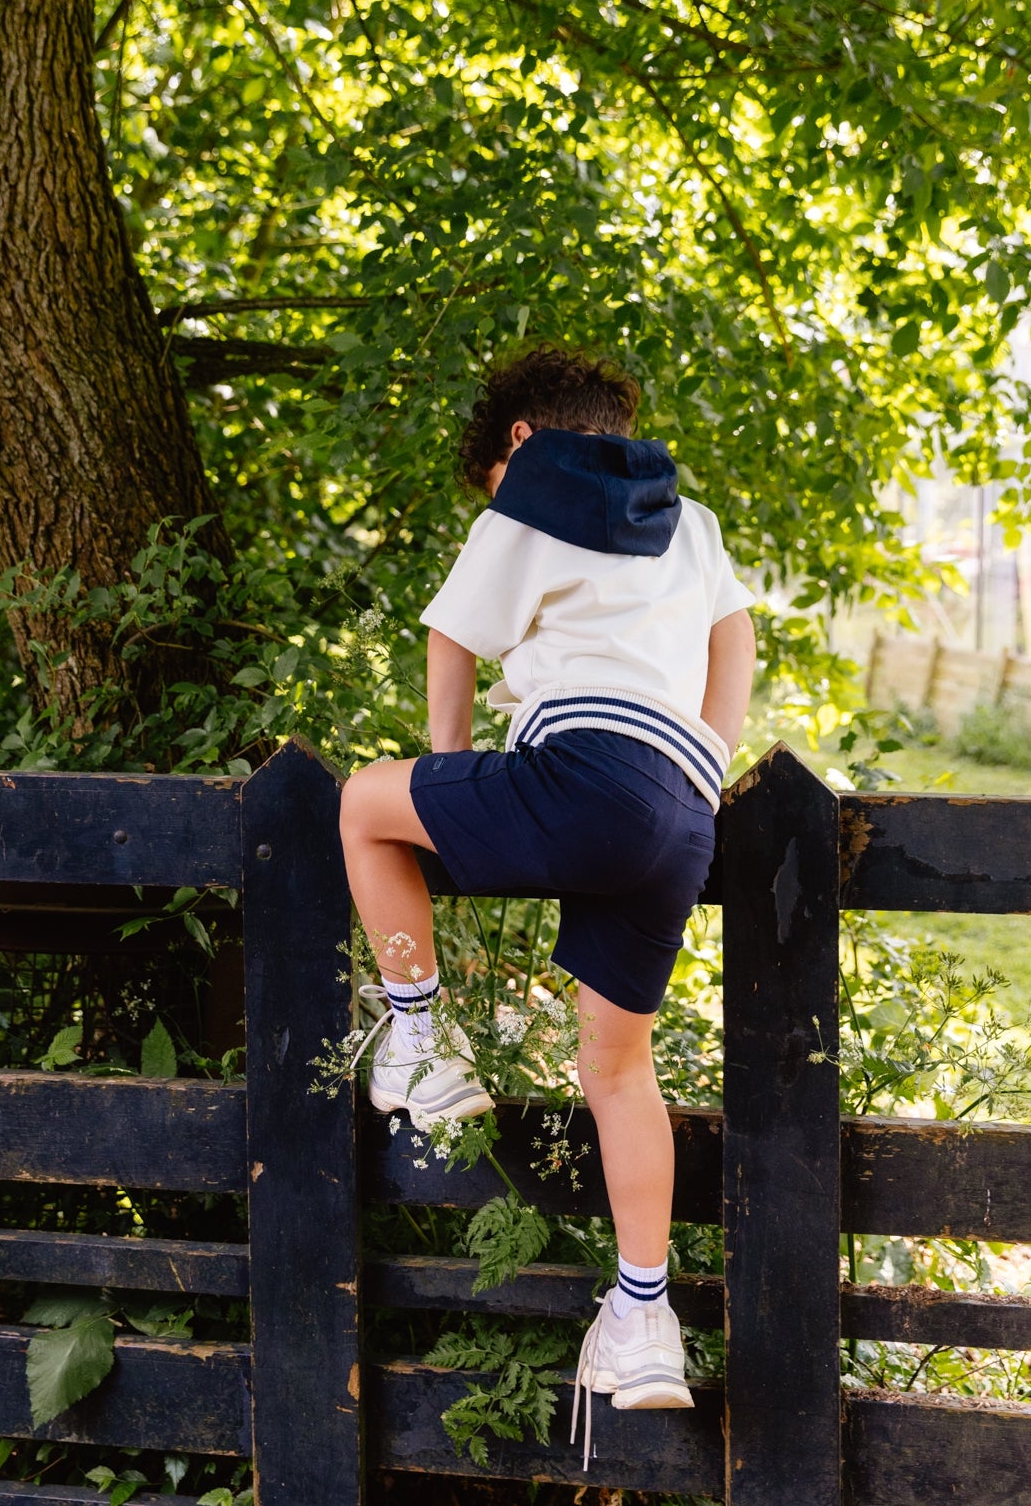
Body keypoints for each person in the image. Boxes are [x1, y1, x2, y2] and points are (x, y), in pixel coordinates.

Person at [339, 344, 756, 1456]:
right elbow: (735, 640)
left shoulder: (526, 499)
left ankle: (422, 1043)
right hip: (679, 810)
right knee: (618, 1069)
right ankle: (645, 1318)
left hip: (580, 773)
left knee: (364, 805)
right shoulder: (691, 521)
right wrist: (710, 757)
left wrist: (445, 777)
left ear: (520, 441)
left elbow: (451, 634)